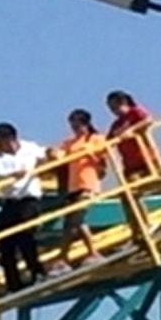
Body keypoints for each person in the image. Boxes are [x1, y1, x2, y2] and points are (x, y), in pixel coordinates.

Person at [0, 122, 48, 293]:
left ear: (11, 139)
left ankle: (37, 271)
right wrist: (15, 174)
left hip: (29, 199)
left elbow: (45, 153)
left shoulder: (29, 148)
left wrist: (51, 155)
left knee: (25, 234)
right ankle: (13, 282)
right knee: (5, 240)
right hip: (10, 200)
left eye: (0, 140)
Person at [49, 109, 107, 268]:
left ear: (85, 124)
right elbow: (60, 153)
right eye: (72, 125)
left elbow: (102, 159)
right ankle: (65, 257)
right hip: (73, 185)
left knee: (77, 218)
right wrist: (53, 153)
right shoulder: (70, 142)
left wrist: (89, 153)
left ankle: (90, 252)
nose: (75, 128)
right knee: (71, 222)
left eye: (77, 125)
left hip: (88, 183)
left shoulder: (96, 139)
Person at [106, 90, 161, 182]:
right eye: (111, 108)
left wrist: (131, 130)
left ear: (123, 102)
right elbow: (109, 141)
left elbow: (148, 119)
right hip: (129, 164)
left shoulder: (135, 112)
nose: (113, 110)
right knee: (130, 189)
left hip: (145, 159)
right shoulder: (116, 124)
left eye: (114, 106)